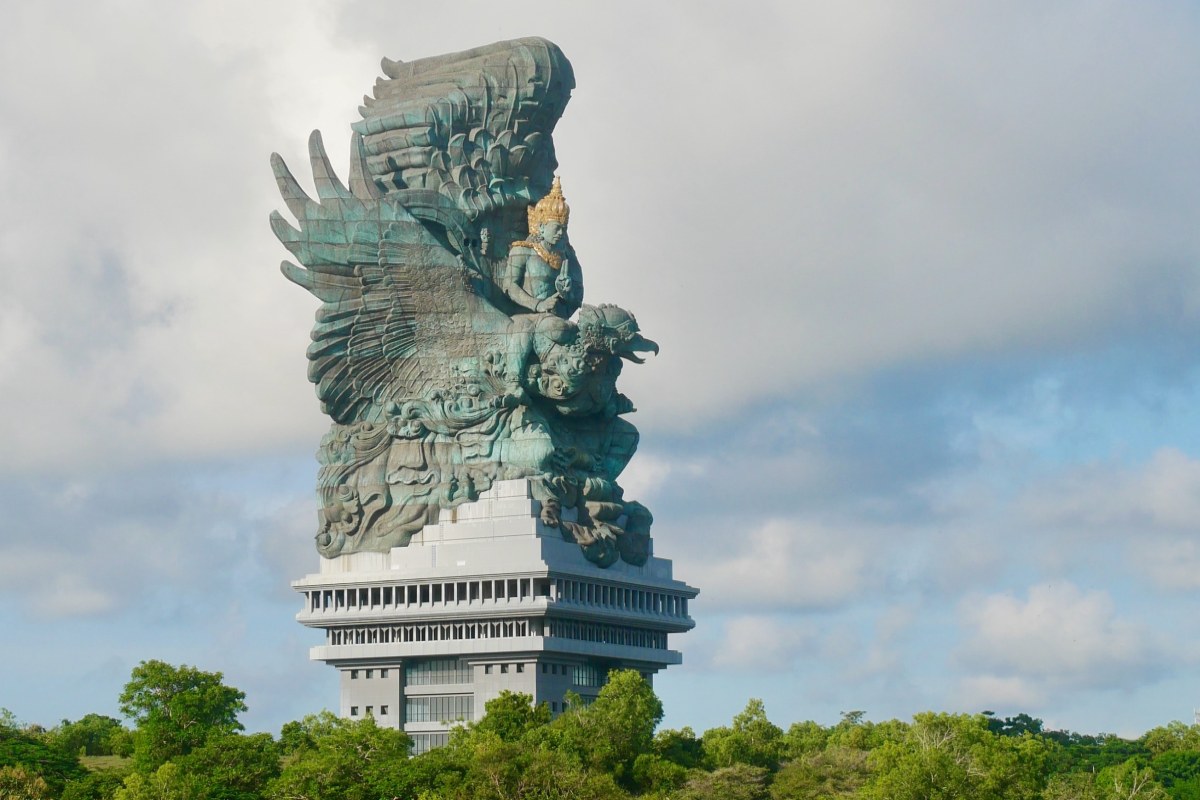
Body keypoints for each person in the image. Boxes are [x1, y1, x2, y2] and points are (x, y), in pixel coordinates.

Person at [499, 176, 583, 317]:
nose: (561, 233)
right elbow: (509, 287)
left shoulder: (566, 258)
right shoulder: (522, 251)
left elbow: (576, 300)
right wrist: (538, 304)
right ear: (542, 227)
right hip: (526, 318)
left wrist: (566, 294)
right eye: (556, 228)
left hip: (554, 318)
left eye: (564, 228)